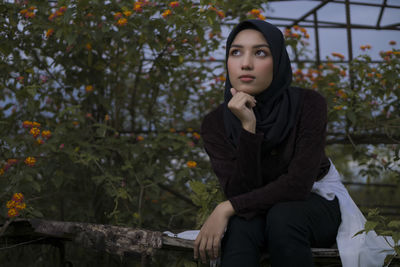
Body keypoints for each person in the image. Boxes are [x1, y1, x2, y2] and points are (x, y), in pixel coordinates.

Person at [193, 19, 342, 267]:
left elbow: (298, 185)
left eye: (260, 52)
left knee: (283, 217)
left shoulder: (309, 104)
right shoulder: (215, 123)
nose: (246, 63)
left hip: (314, 200)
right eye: (236, 52)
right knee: (239, 229)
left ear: (279, 62)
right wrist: (248, 130)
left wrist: (225, 208)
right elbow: (241, 193)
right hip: (256, 209)